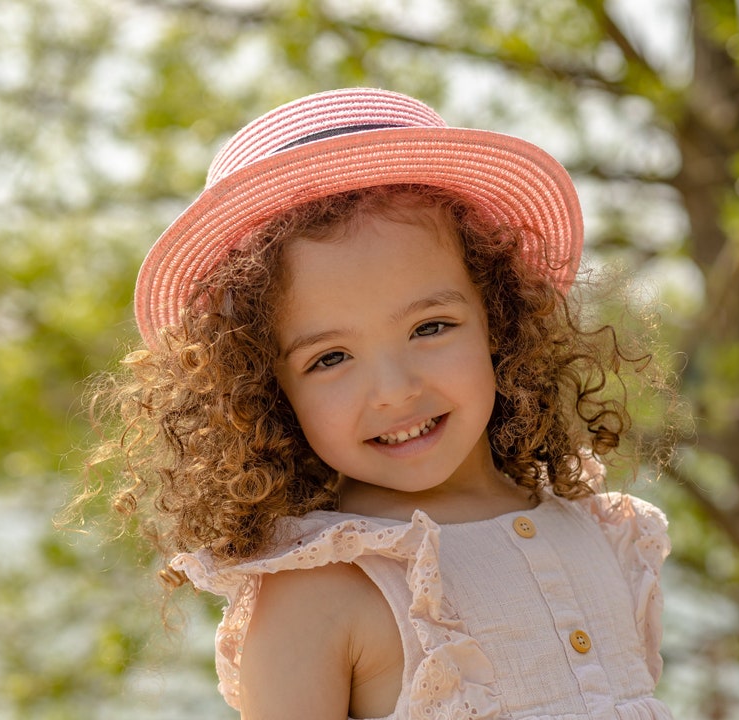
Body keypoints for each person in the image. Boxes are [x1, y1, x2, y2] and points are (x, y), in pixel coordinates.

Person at [92, 88, 674, 719]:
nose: (395, 390)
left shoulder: (599, 532)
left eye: (430, 327)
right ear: (267, 392)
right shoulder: (319, 590)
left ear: (496, 317)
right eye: (330, 358)